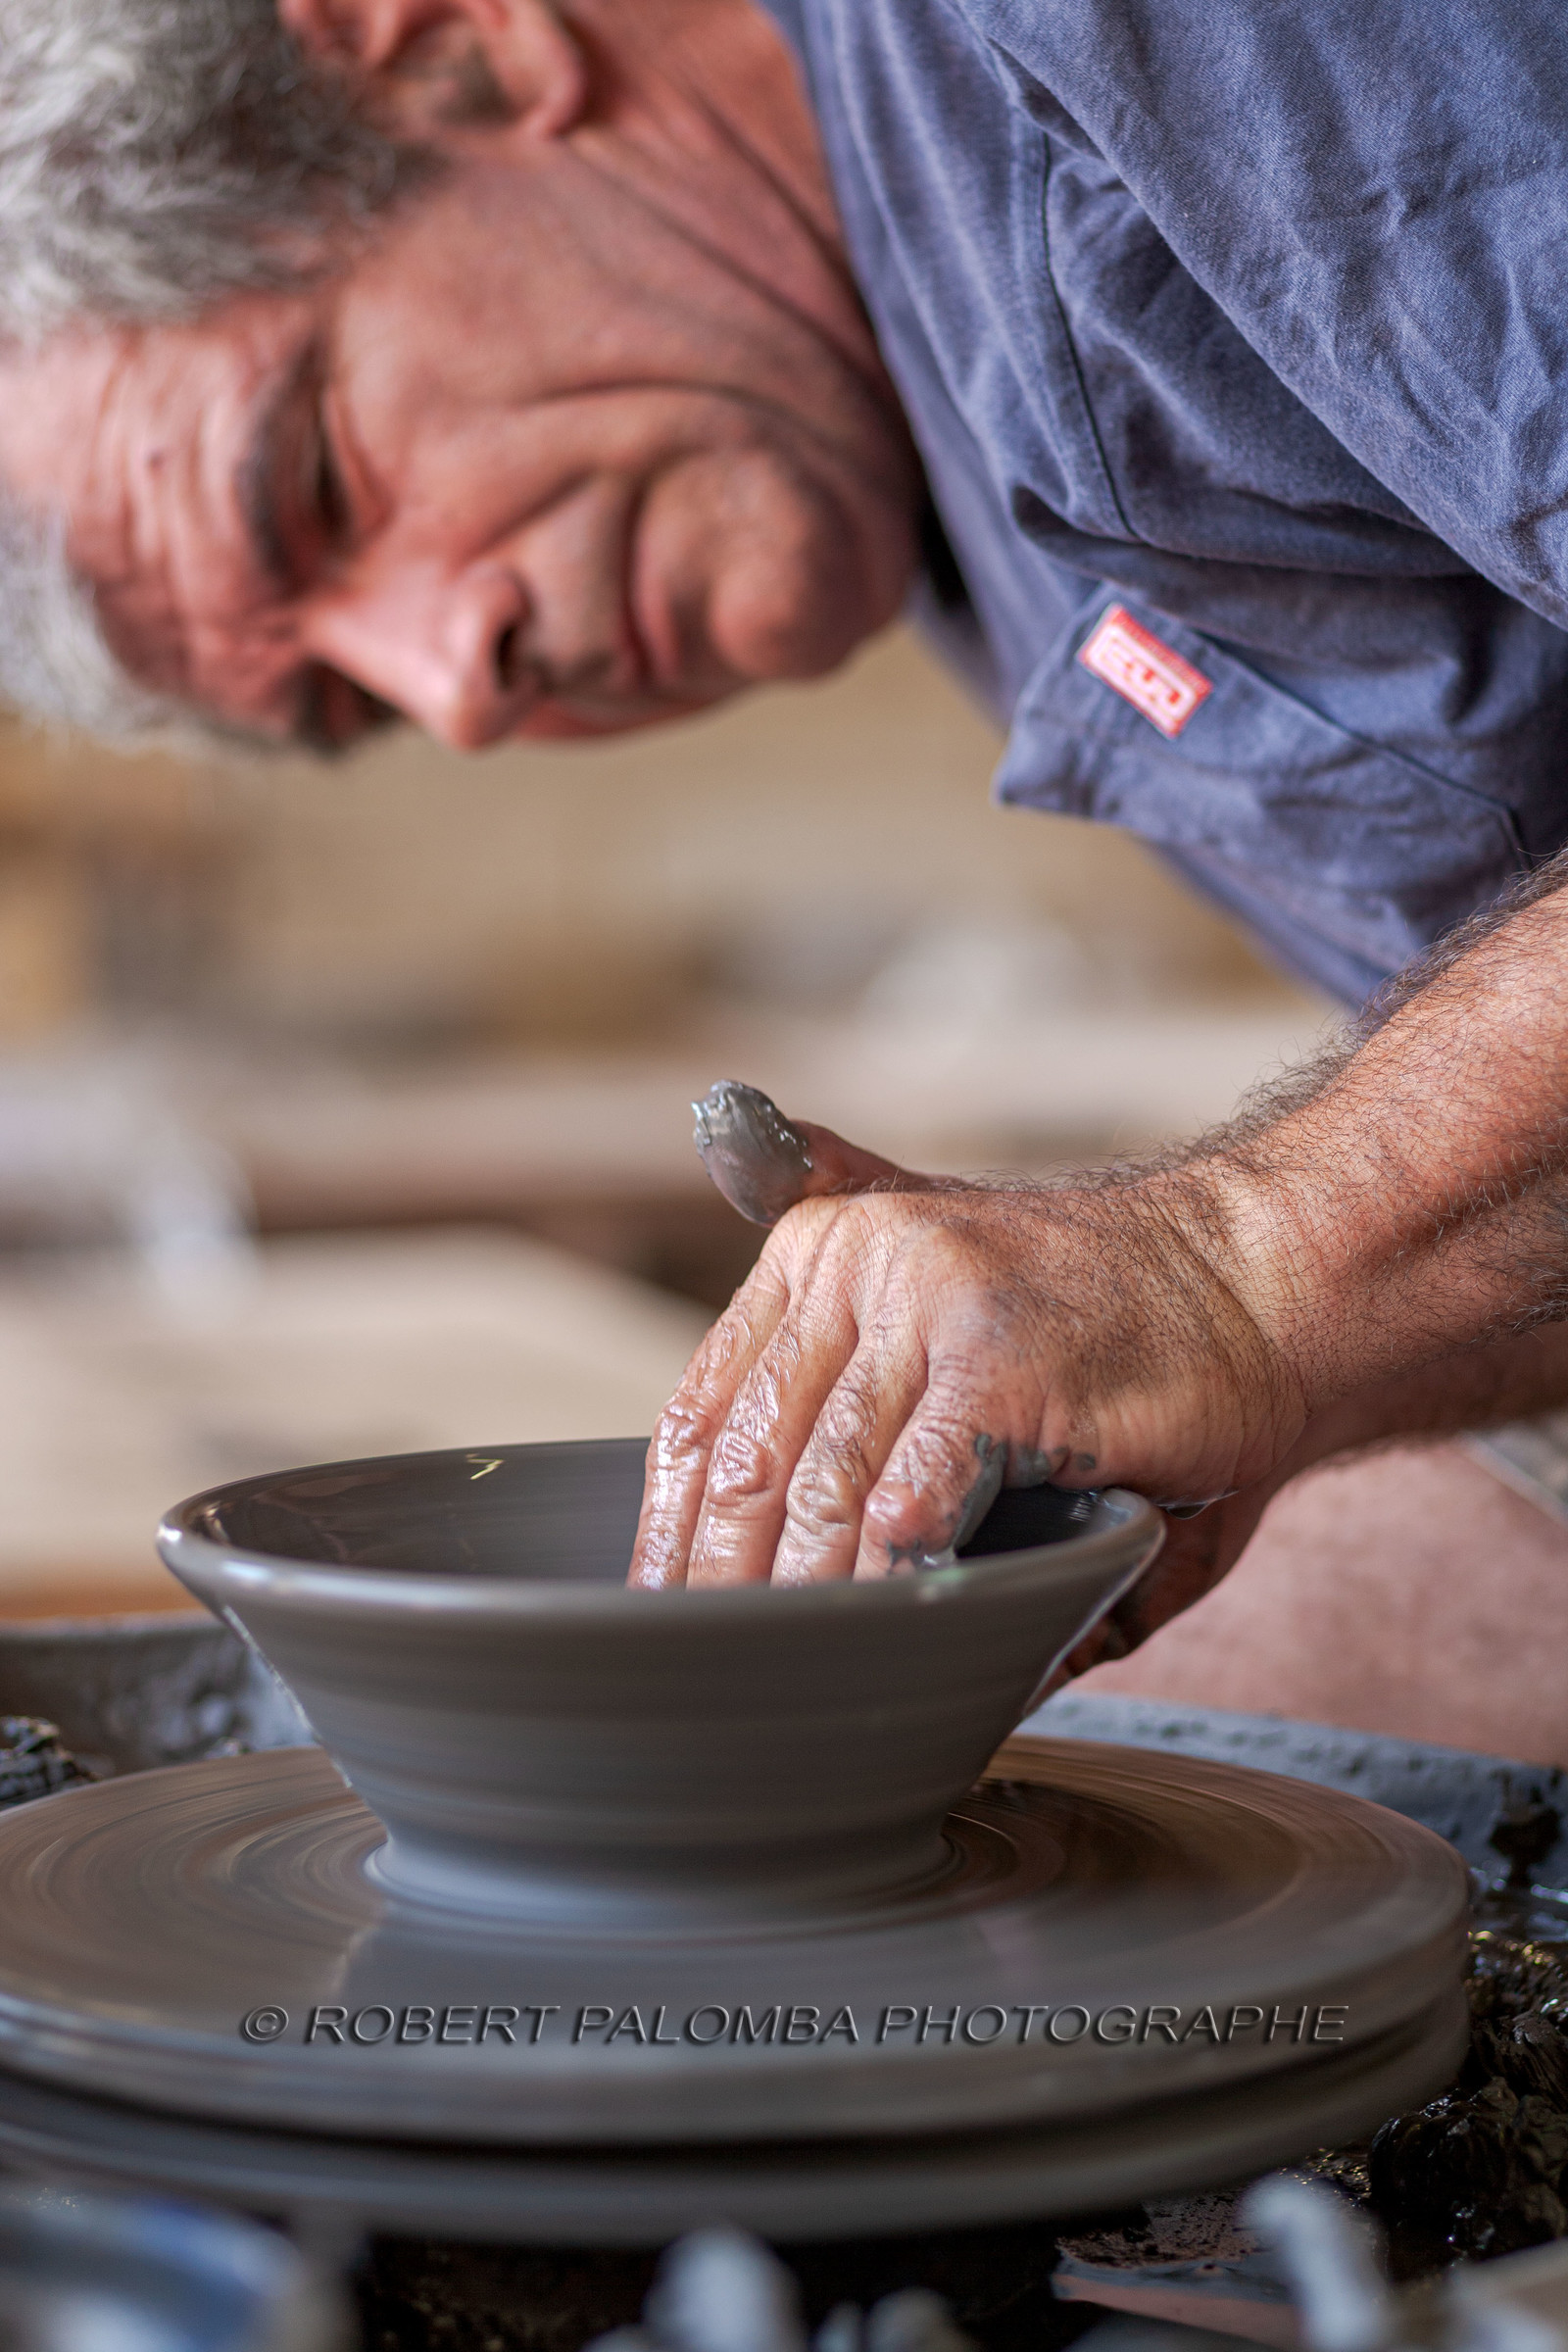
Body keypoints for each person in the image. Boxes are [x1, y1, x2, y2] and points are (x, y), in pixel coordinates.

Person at [3, 0, 1568, 1675]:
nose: (452, 686)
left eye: (311, 482)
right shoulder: (909, 441)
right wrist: (1290, 1344)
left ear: (456, 48)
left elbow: (1271, 1270)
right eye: (348, 710)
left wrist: (1258, 1263)